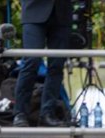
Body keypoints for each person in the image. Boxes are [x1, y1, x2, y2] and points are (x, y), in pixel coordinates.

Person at [13, 0, 71, 128]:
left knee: (57, 66)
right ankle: (20, 113)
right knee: (31, 61)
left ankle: (47, 114)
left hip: (61, 13)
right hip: (33, 11)